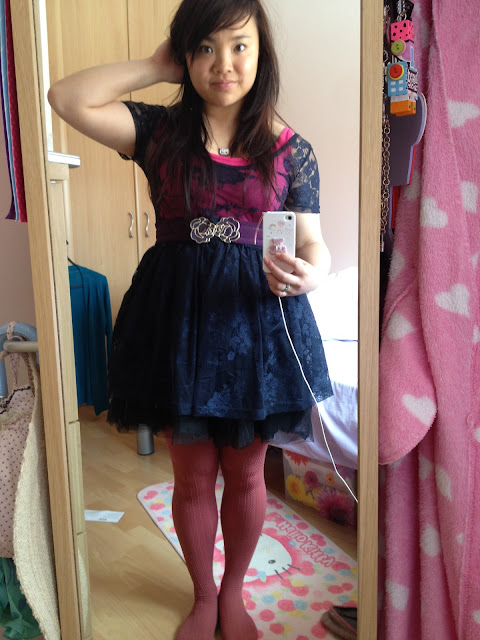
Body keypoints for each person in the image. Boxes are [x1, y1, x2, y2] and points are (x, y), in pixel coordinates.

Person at [48, 1, 333, 638]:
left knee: (247, 473)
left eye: (238, 45)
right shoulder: (159, 133)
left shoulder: (292, 151)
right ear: (184, 56)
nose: (223, 63)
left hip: (257, 328)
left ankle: (234, 594)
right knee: (193, 476)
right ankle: (204, 595)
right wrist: (155, 66)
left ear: (261, 54)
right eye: (204, 47)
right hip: (178, 326)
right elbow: (65, 97)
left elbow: (314, 244)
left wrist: (311, 275)